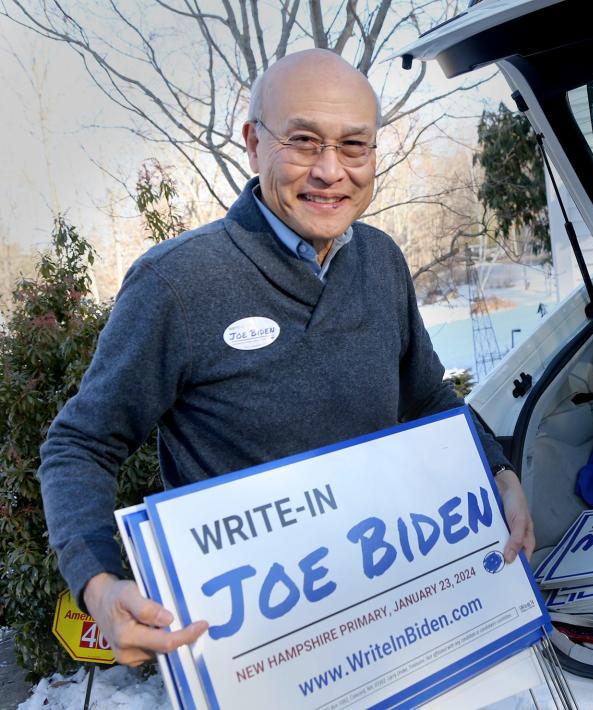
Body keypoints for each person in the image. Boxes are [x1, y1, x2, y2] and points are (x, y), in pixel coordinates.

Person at [37, 49, 534, 667]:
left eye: (355, 146)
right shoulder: (177, 285)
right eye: (303, 141)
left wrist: (499, 472)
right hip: (254, 657)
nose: (331, 170)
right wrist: (100, 582)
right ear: (252, 142)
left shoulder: (381, 262)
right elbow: (79, 444)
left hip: (391, 618)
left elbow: (427, 396)